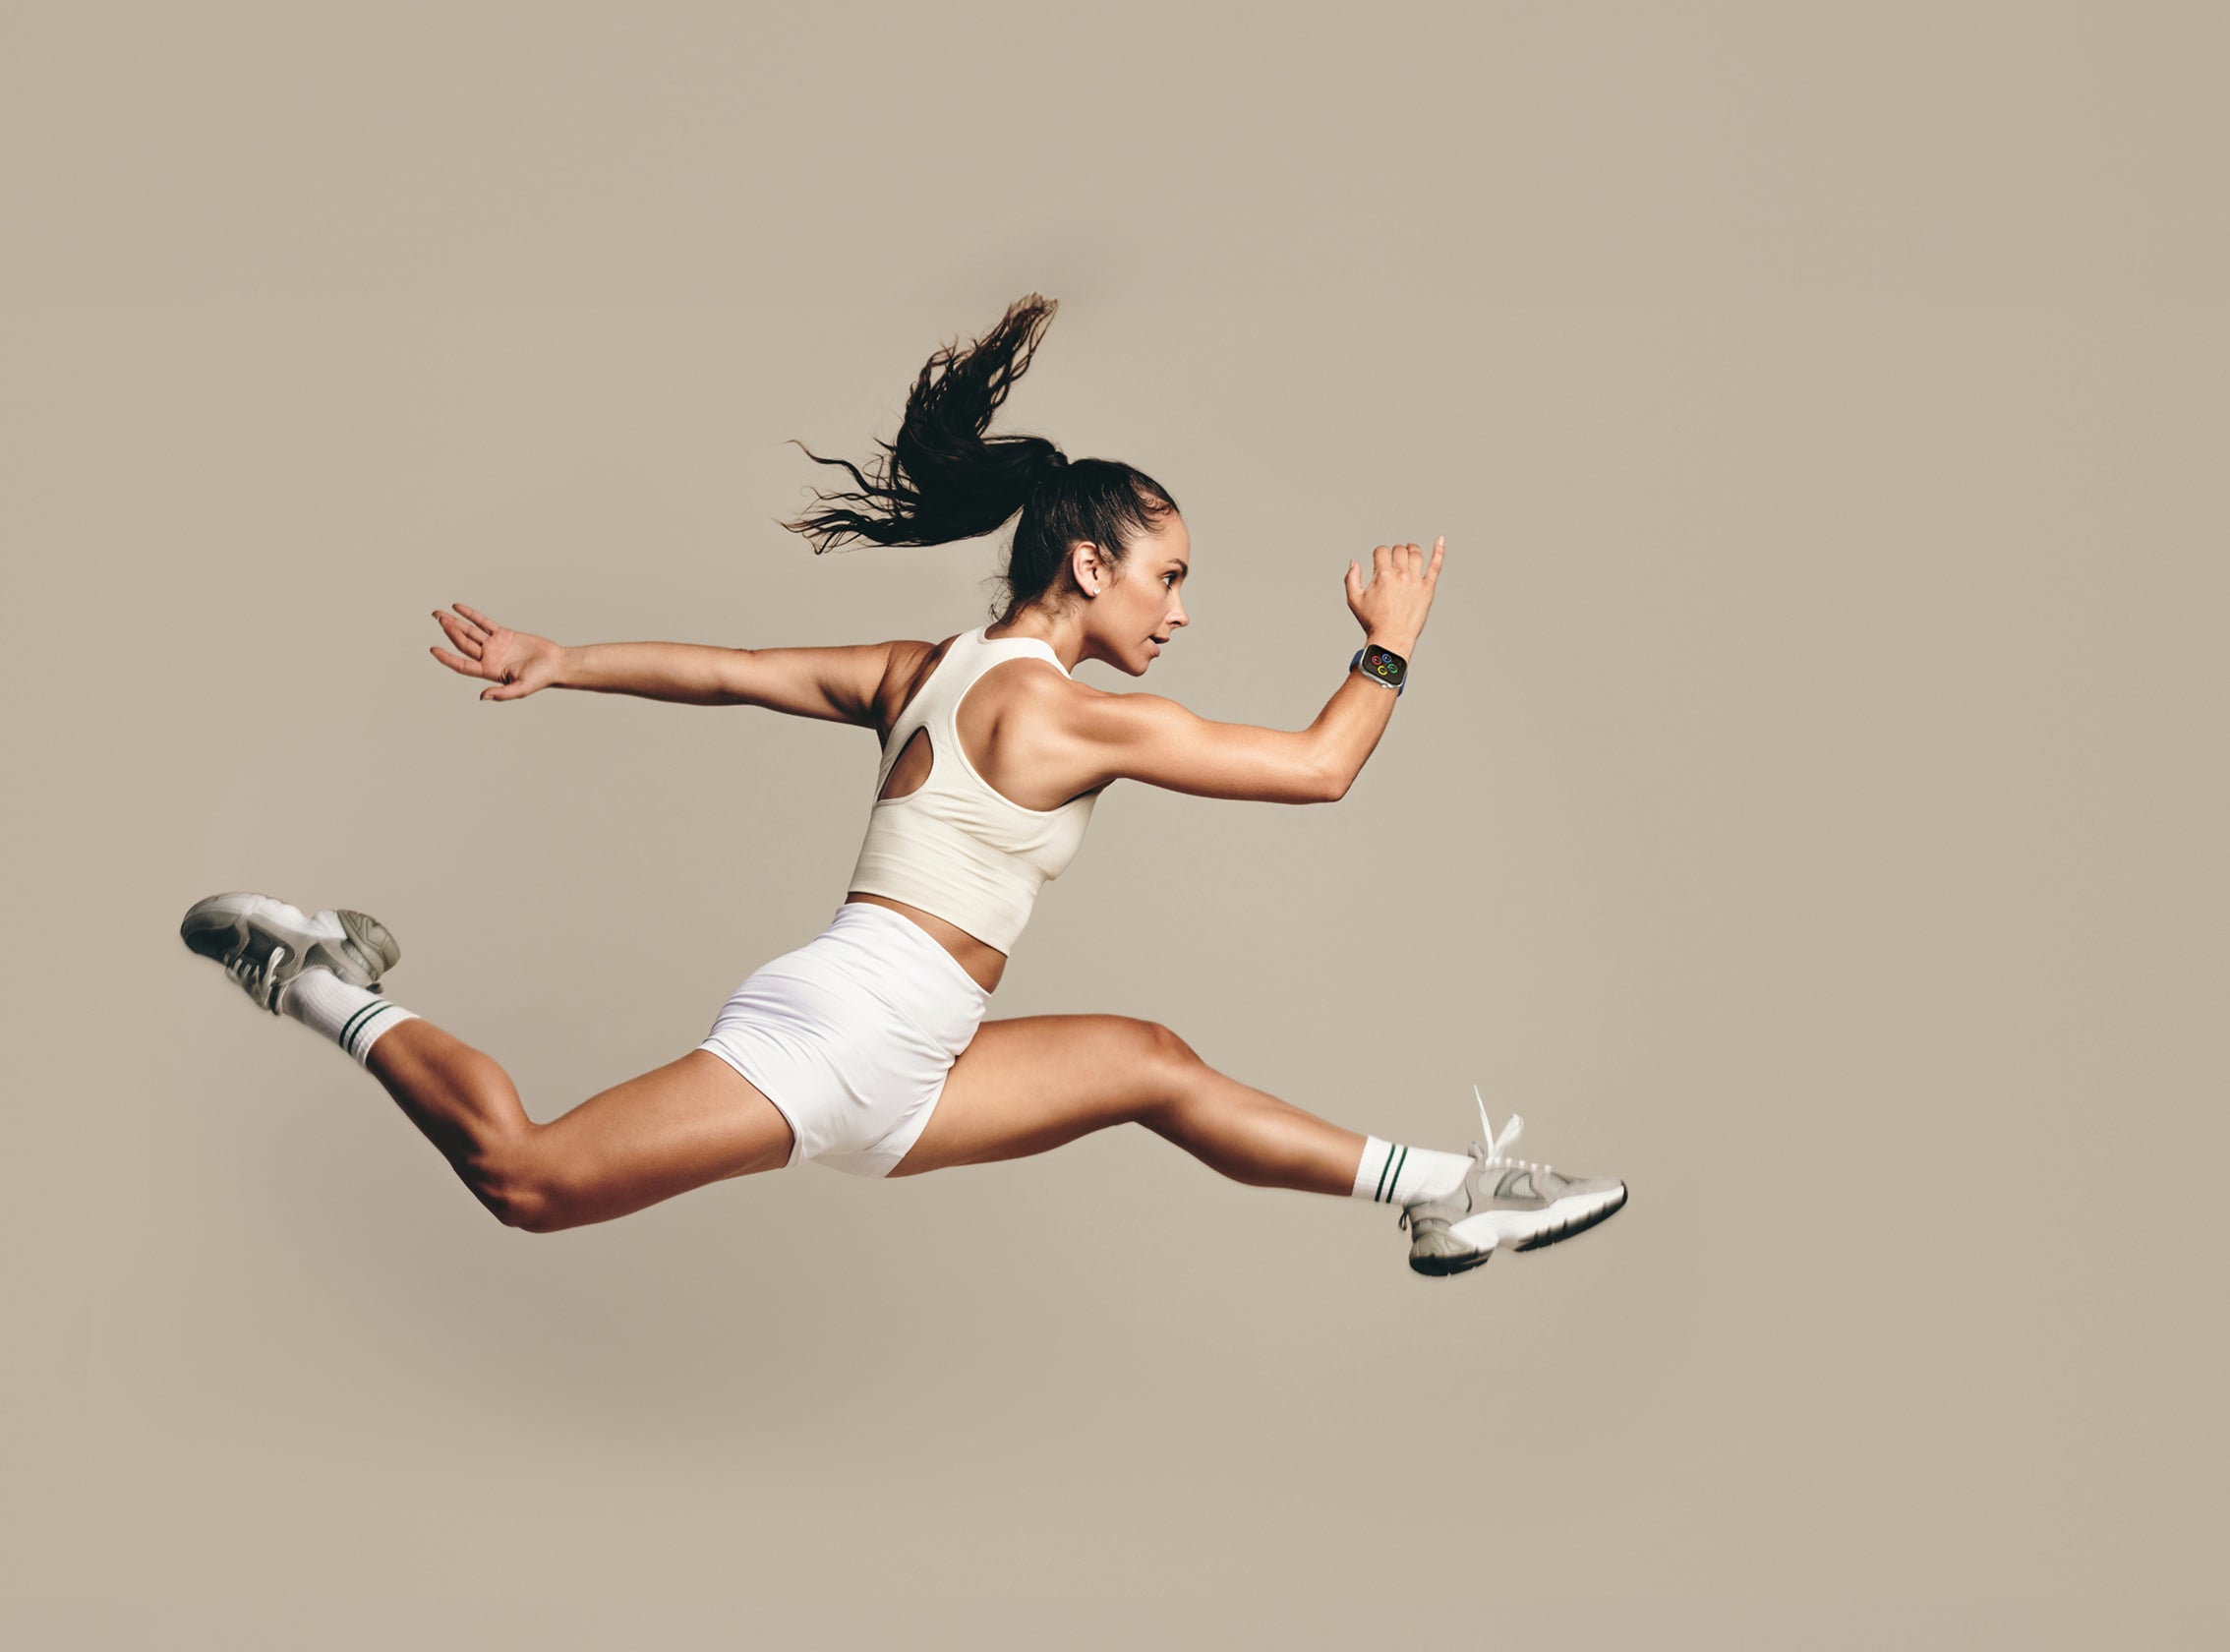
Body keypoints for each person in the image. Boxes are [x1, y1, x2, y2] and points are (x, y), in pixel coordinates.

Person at [179, 294, 1623, 1276]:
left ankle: (1447, 1199)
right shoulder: (1064, 720)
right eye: (1168, 579)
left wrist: (572, 658)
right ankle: (325, 980)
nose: (1178, 613)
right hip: (852, 1029)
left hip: (920, 1061)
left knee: (1152, 1067)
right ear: (1090, 564)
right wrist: (1387, 648)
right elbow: (1318, 773)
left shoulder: (924, 667)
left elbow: (736, 669)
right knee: (528, 1179)